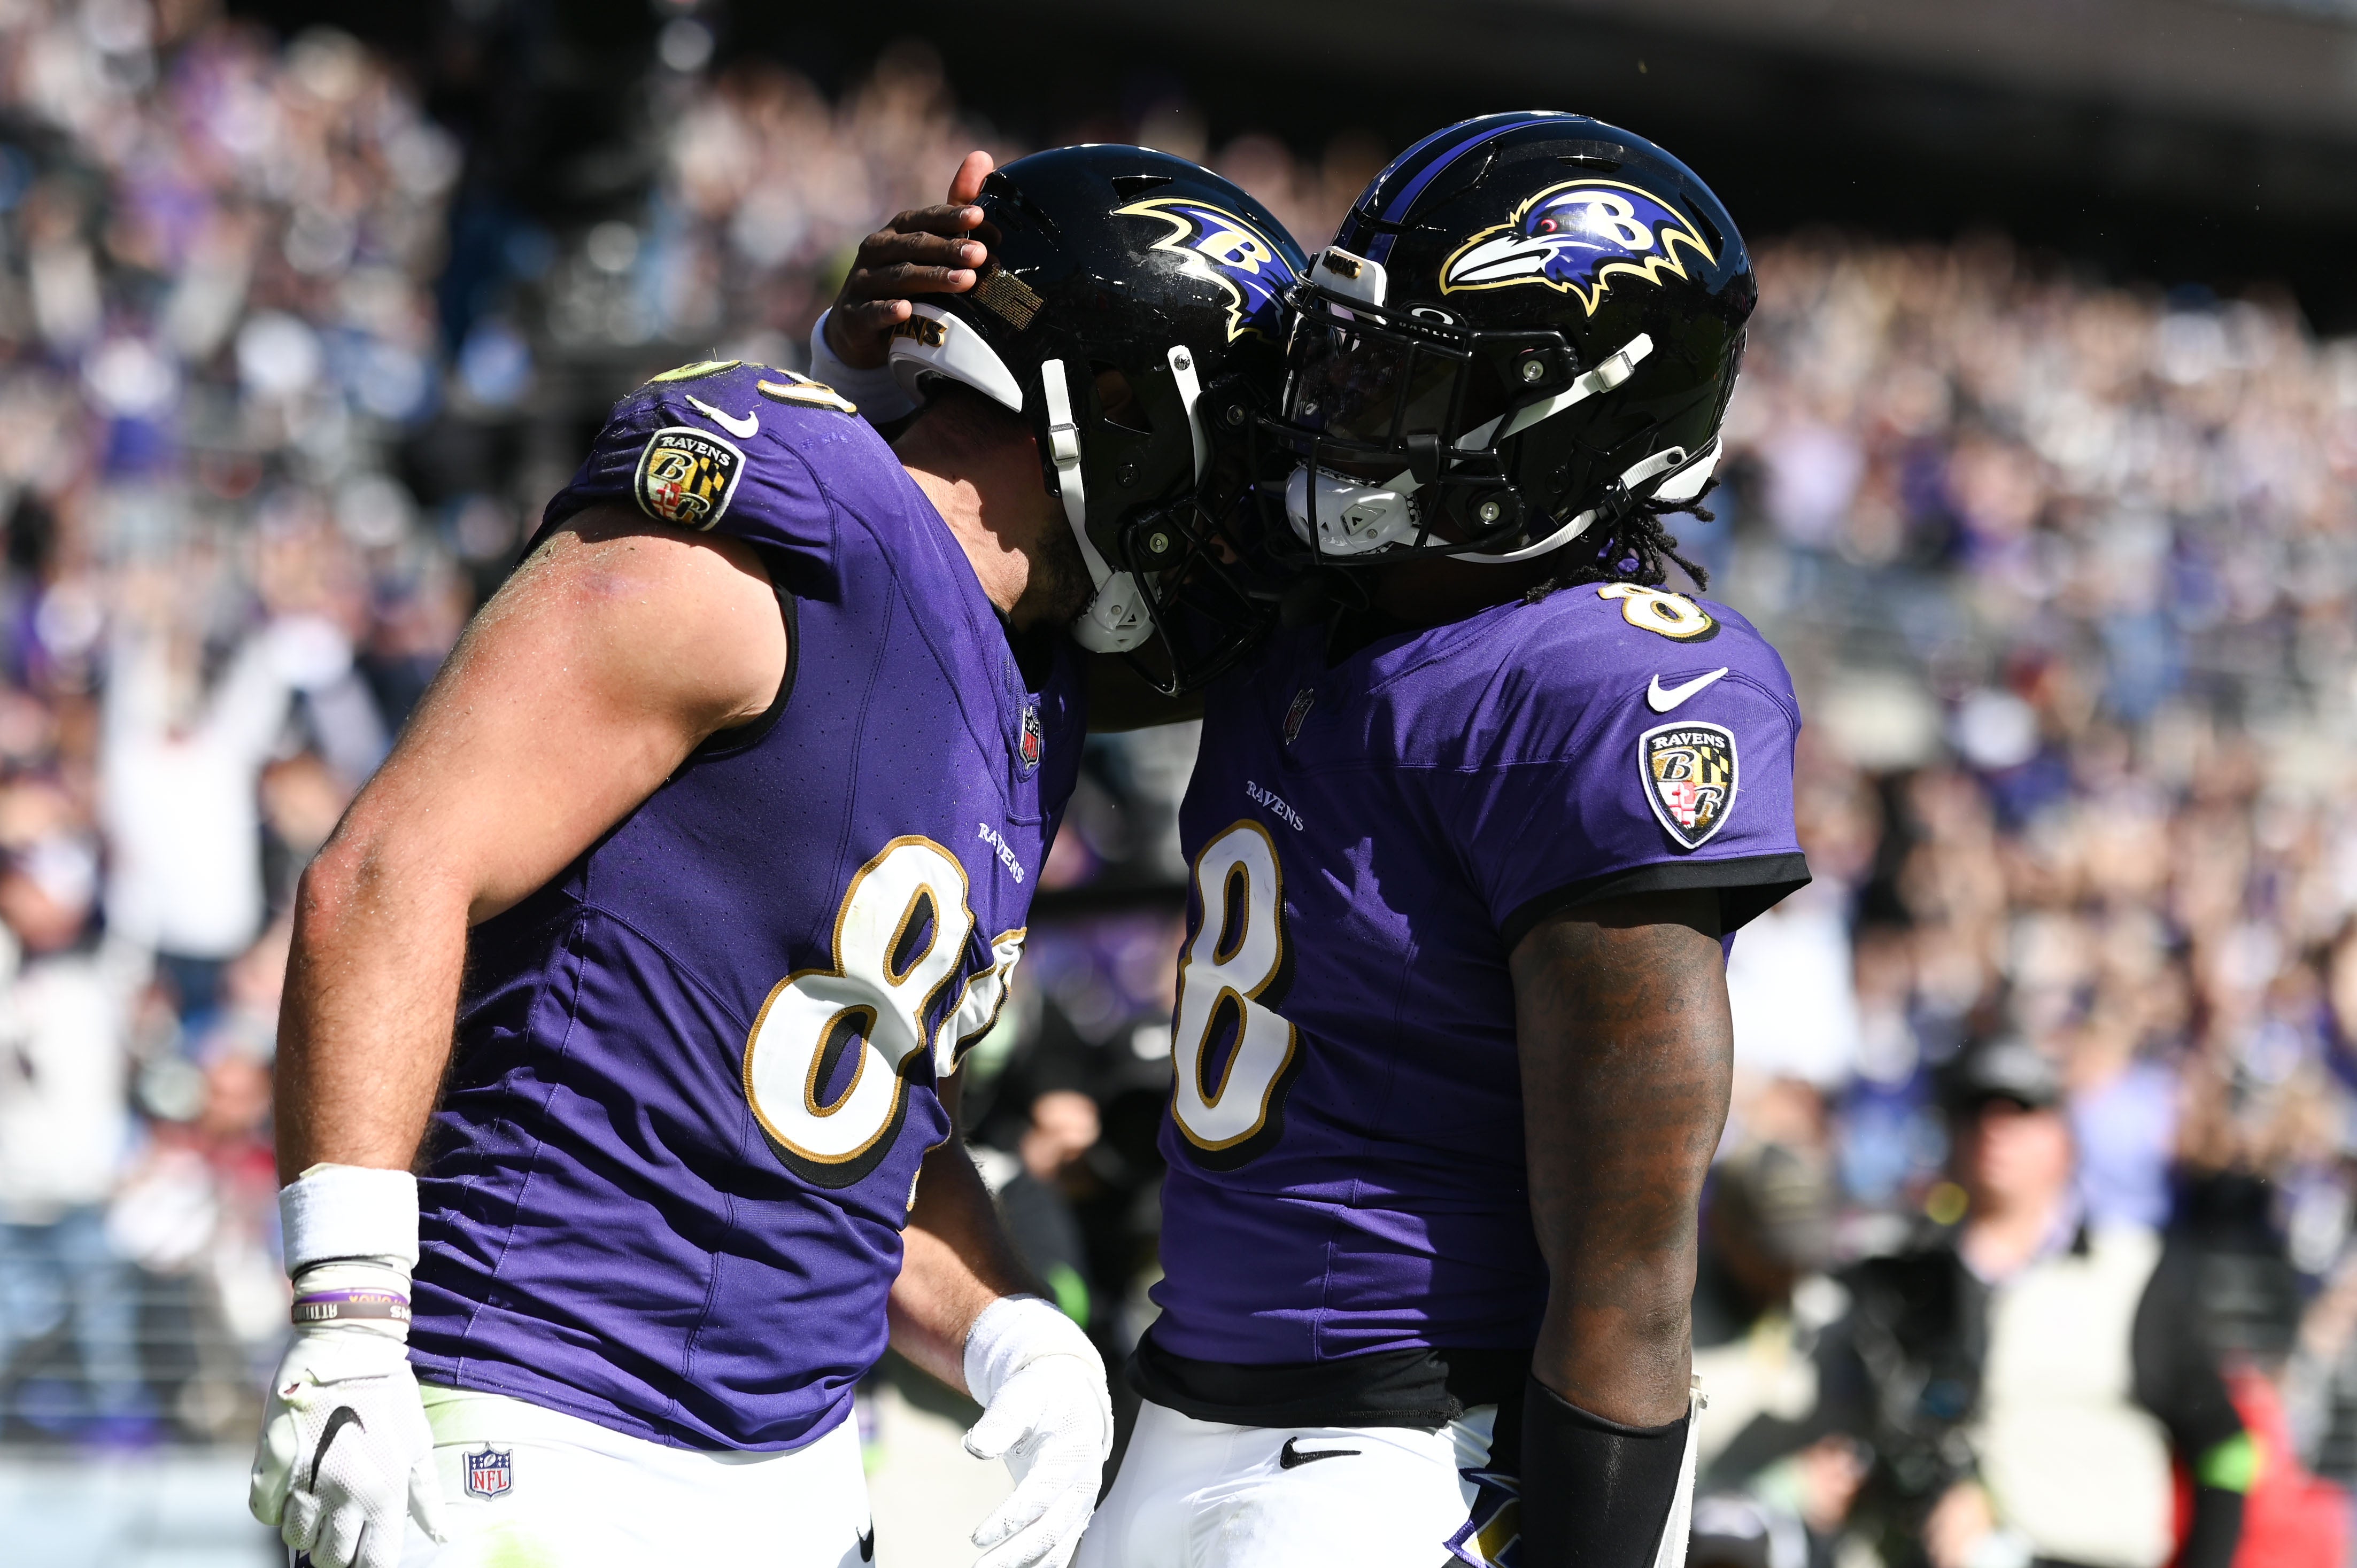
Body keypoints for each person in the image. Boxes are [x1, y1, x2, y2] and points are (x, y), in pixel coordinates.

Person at [246, 145, 1294, 1568]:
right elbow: (388, 869)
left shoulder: (1033, 689)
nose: (1244, 508)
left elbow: (848, 1121)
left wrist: (1015, 1333)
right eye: (1229, 445)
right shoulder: (788, 513)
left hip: (795, 1466)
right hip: (538, 1413)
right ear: (1116, 406)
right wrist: (346, 1310)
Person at [832, 113, 1806, 1567]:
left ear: (1576, 414)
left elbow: (1627, 1272)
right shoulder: (1314, 607)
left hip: (1412, 1452)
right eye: (1340, 358)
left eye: (1407, 378)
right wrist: (951, 358)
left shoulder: (1613, 681)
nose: (1342, 412)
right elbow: (951, 612)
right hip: (1191, 1409)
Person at [1824, 1036, 2250, 1568]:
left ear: (2062, 1139)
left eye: (2020, 1111)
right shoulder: (1896, 1277)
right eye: (1975, 1112)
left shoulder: (2132, 1272)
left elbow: (2225, 1448)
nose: (1993, 1131)